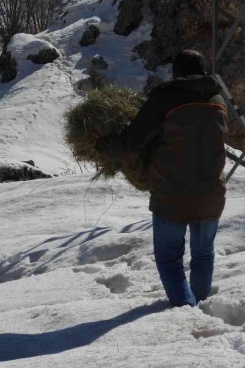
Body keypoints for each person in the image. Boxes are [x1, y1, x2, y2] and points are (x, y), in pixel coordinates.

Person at [96, 50, 228, 307]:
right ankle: (198, 305)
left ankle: (186, 311)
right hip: (212, 194)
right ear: (203, 71)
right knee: (203, 254)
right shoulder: (218, 100)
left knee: (169, 260)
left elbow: (131, 142)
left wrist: (101, 144)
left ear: (175, 73)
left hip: (172, 196)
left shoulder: (165, 99)